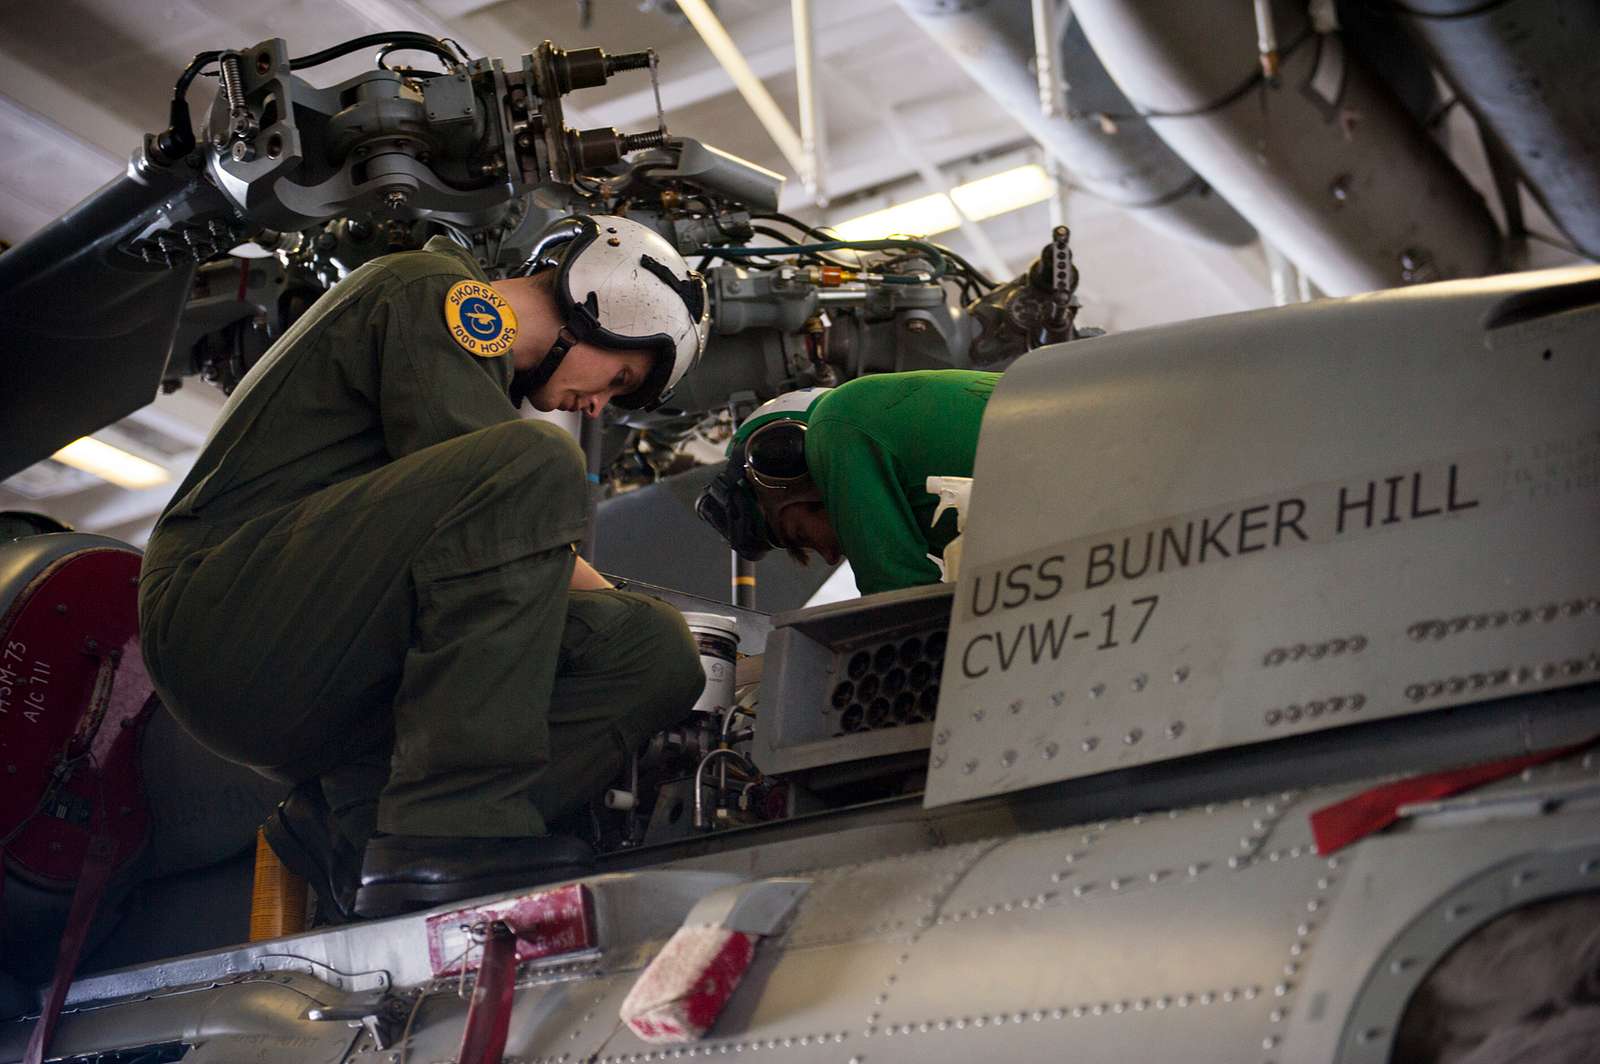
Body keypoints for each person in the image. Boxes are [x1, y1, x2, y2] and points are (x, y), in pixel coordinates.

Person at [139, 215, 711, 919]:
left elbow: (502, 549)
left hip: (322, 667)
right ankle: (451, 826)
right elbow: (515, 515)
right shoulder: (432, 290)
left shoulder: (475, 393)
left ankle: (362, 827)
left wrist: (650, 622)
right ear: (601, 303)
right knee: (538, 464)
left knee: (653, 652)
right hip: (221, 615)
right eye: (618, 378)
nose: (597, 405)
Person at [697, 369, 999, 595]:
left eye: (802, 535)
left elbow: (899, 598)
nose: (830, 557)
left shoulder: (834, 424)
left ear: (783, 456)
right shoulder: (885, 416)